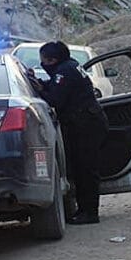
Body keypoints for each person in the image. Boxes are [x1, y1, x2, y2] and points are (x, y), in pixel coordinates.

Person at [30, 41, 109, 225]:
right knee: (82, 169)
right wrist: (41, 84)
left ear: (52, 59)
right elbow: (56, 87)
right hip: (87, 123)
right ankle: (84, 210)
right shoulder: (70, 66)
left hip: (85, 126)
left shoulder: (64, 71)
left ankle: (89, 213)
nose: (42, 64)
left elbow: (55, 99)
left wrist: (41, 91)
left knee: (86, 170)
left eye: (44, 61)